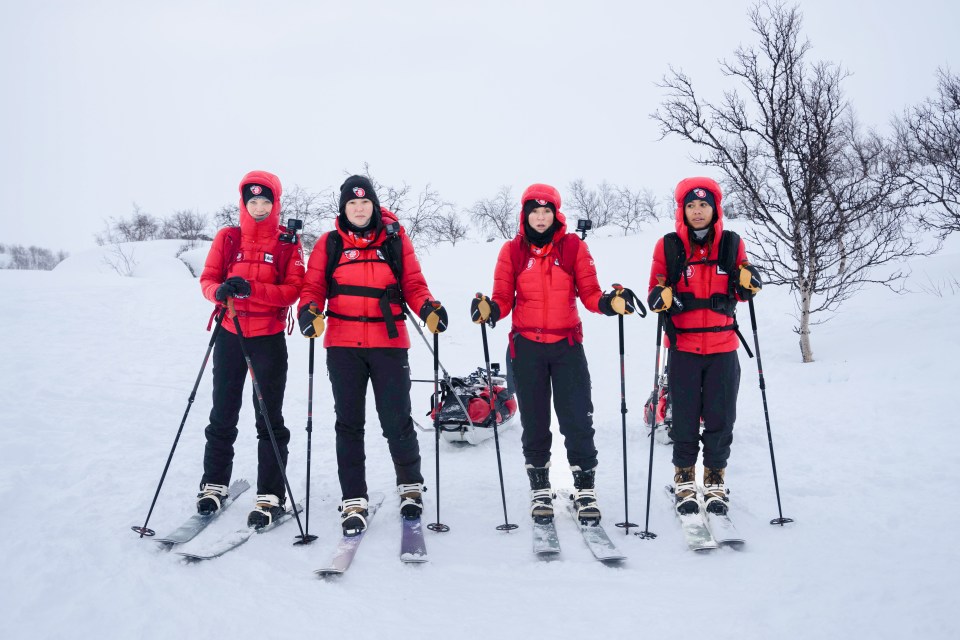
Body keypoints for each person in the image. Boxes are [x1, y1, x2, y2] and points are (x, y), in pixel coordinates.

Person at [471, 183, 636, 526]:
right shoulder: (512, 251)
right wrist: (490, 308)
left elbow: (590, 293)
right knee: (534, 421)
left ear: (556, 213)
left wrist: (609, 303)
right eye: (535, 211)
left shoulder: (573, 247)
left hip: (567, 347)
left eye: (547, 211)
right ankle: (539, 487)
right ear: (525, 214)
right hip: (527, 347)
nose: (541, 217)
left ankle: (585, 487)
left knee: (577, 417)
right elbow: (503, 298)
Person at [297, 175, 448, 536]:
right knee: (348, 423)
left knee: (396, 419)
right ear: (343, 208)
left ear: (374, 205)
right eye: (352, 203)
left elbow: (413, 283)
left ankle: (410, 486)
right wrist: (310, 310)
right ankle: (353, 499)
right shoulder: (329, 244)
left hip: (388, 344)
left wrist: (428, 308)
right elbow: (313, 286)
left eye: (365, 203)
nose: (360, 209)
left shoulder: (394, 241)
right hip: (343, 346)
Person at [196, 170, 305, 529]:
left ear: (275, 203)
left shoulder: (288, 243)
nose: (258, 207)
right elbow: (208, 280)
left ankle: (270, 493)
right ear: (244, 203)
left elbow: (293, 291)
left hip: (268, 339)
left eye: (265, 201)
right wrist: (221, 291)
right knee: (223, 410)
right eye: (252, 201)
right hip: (230, 334)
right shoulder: (228, 238)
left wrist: (252, 290)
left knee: (268, 417)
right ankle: (214, 483)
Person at [646, 177, 761, 516]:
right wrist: (659, 296)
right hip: (683, 348)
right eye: (691, 206)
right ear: (682, 210)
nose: (698, 211)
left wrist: (749, 281)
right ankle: (684, 479)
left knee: (720, 418)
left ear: (715, 209)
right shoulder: (667, 246)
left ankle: (714, 480)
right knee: (682, 419)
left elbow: (743, 289)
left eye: (704, 205)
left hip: (723, 347)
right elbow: (655, 288)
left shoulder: (731, 243)